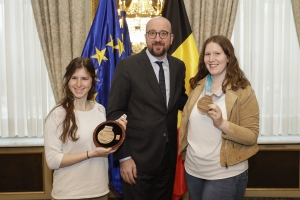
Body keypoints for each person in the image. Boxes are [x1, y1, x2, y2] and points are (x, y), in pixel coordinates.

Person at [107, 16, 188, 200]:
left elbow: (180, 99)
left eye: (163, 34)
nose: (157, 38)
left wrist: (203, 101)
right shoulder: (127, 66)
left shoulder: (178, 66)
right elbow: (115, 113)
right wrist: (124, 157)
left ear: (171, 38)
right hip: (136, 159)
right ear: (145, 36)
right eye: (152, 33)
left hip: (167, 159)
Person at [179, 35, 259, 200]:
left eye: (217, 54)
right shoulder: (197, 86)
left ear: (228, 58)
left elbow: (251, 136)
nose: (211, 59)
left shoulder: (244, 90)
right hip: (193, 171)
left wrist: (222, 123)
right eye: (207, 54)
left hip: (225, 173)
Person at [44, 57, 127, 200]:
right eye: (74, 78)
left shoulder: (100, 110)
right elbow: (52, 161)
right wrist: (90, 154)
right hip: (68, 194)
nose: (78, 84)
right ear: (67, 80)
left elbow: (105, 148)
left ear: (92, 81)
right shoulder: (57, 114)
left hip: (99, 192)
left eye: (84, 78)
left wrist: (118, 129)